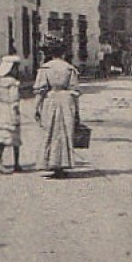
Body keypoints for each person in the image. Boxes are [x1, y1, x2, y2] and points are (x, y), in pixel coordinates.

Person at [34, 41, 80, 178]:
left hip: (51, 99)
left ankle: (51, 163)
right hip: (66, 100)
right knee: (65, 131)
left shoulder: (45, 68)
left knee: (50, 131)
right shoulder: (70, 69)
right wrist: (77, 111)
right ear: (64, 53)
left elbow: (40, 90)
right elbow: (74, 90)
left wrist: (36, 107)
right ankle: (62, 164)